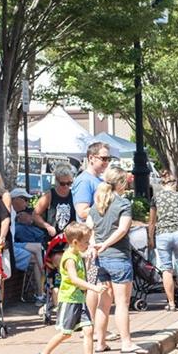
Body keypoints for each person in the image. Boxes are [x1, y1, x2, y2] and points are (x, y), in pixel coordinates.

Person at [34, 222, 112, 354]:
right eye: (86, 242)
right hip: (69, 299)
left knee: (89, 329)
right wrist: (94, 288)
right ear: (75, 242)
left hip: (79, 299)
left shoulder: (77, 254)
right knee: (66, 333)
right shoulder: (69, 258)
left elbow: (84, 260)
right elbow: (75, 279)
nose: (88, 244)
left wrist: (90, 252)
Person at [89, 164, 147, 354]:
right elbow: (123, 230)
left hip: (101, 259)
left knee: (103, 303)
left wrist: (96, 246)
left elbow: (90, 229)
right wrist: (106, 244)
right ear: (120, 183)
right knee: (122, 303)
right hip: (118, 257)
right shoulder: (123, 204)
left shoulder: (96, 205)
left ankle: (100, 342)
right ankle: (126, 342)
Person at [73, 142, 116, 342]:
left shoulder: (98, 180)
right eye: (104, 158)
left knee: (102, 286)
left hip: (98, 240)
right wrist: (106, 211)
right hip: (90, 241)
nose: (107, 162)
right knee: (94, 285)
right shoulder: (84, 181)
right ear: (91, 158)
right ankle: (90, 327)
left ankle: (98, 329)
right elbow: (82, 210)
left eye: (109, 159)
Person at [148, 171, 178, 311]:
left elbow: (152, 221)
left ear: (162, 183)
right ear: (175, 182)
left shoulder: (156, 198)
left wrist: (150, 238)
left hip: (163, 234)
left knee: (166, 269)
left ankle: (171, 304)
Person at [10, 187, 47, 305]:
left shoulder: (15, 213)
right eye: (24, 199)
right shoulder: (8, 211)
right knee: (36, 253)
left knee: (37, 249)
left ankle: (42, 293)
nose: (27, 202)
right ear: (15, 199)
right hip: (7, 247)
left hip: (13, 244)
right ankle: (46, 287)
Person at [34, 165, 76, 237]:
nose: (66, 186)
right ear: (57, 181)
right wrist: (47, 226)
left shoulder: (74, 194)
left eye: (69, 183)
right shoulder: (49, 195)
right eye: (62, 183)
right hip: (51, 238)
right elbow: (35, 214)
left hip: (68, 237)